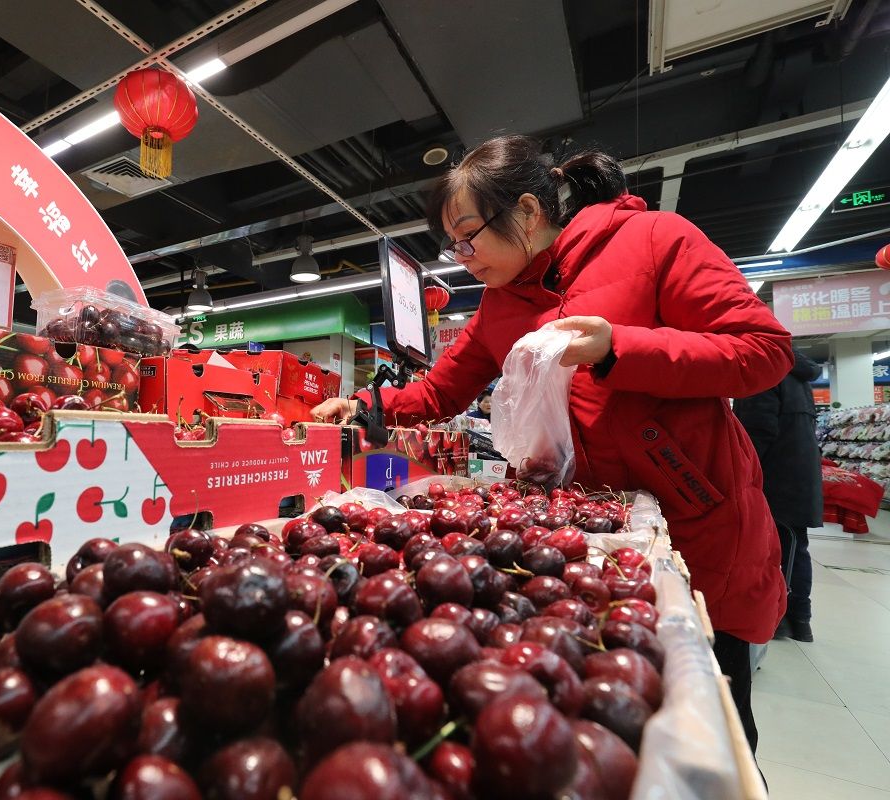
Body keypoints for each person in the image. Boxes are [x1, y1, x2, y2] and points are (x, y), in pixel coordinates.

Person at [312, 135, 792, 752]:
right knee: (601, 706)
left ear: (529, 211)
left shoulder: (656, 239)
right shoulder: (499, 303)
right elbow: (440, 390)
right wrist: (365, 405)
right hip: (590, 535)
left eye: (468, 236)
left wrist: (620, 348)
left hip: (692, 514)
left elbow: (763, 349)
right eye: (452, 244)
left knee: (709, 719)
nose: (461, 257)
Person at [733, 349, 824, 643]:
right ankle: (797, 618)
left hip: (777, 479)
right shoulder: (797, 377)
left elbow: (755, 434)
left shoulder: (764, 373)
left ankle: (785, 616)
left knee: (780, 547)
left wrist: (739, 476)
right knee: (793, 545)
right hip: (796, 476)